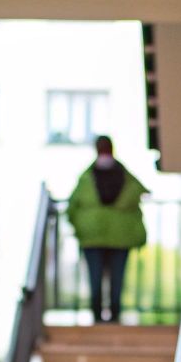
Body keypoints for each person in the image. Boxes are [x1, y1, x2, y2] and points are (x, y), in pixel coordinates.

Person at [66, 134, 148, 324]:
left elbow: (72, 207)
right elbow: (138, 198)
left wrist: (80, 227)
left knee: (96, 279)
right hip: (119, 237)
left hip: (94, 237)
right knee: (116, 280)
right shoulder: (126, 179)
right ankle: (113, 317)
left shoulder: (86, 178)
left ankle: (98, 318)